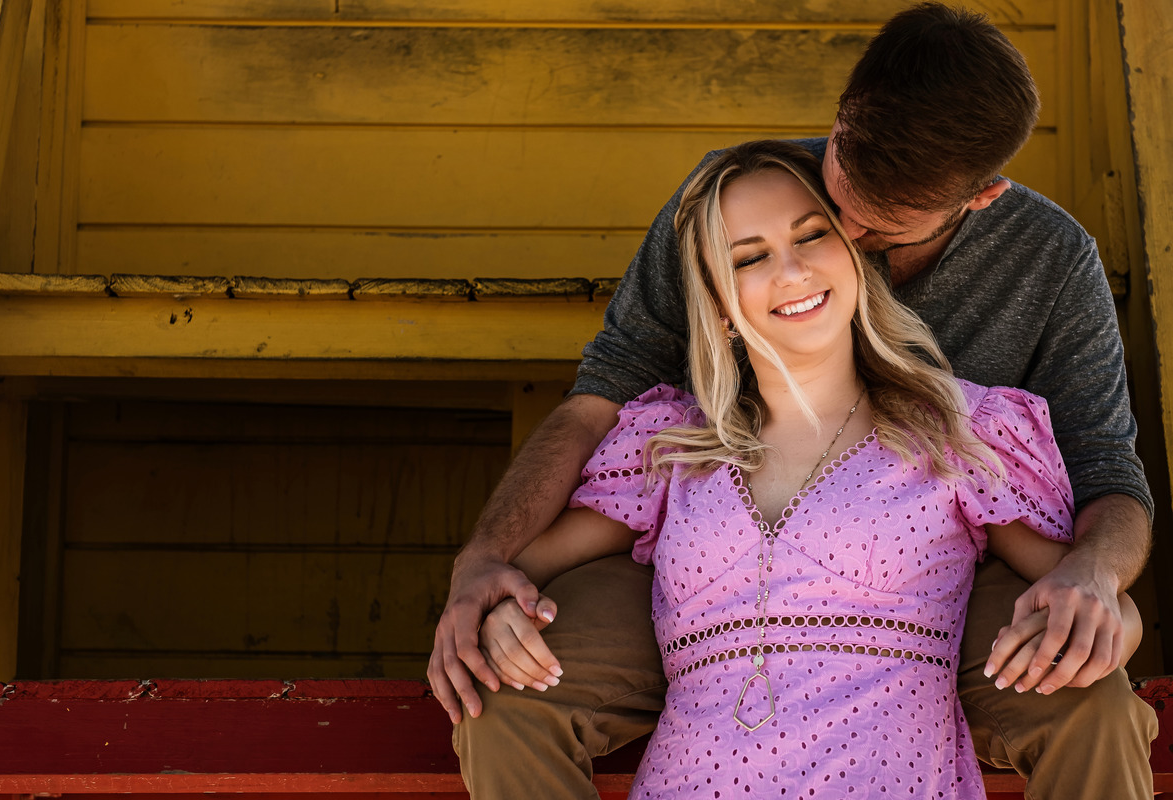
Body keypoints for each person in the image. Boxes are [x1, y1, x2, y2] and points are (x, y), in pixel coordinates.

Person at [430, 4, 1158, 798]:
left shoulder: (1049, 260)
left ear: (982, 197)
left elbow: (1102, 465)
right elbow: (598, 398)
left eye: (873, 225)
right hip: (702, 541)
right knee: (505, 683)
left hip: (952, 550)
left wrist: (1094, 578)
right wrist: (484, 562)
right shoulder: (757, 193)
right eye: (836, 196)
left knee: (1086, 695)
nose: (836, 232)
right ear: (844, 112)